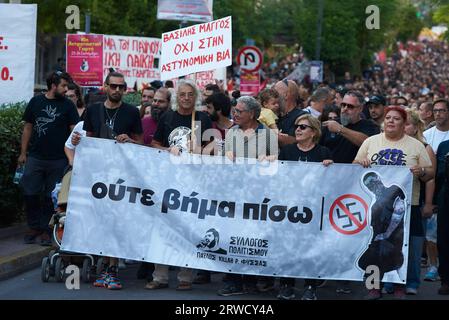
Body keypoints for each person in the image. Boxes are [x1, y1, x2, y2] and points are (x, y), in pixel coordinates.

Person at [72, 72, 144, 290]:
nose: (117, 90)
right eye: (113, 86)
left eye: (121, 87)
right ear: (105, 87)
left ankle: (111, 268)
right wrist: (77, 140)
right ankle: (101, 264)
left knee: (115, 222)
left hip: (121, 177)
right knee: (98, 220)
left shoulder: (131, 112)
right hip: (96, 175)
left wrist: (130, 141)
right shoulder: (93, 110)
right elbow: (86, 139)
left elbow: (141, 144)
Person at [354, 106, 434, 299]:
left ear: (404, 123)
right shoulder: (371, 142)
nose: (390, 121)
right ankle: (374, 286)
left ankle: (400, 286)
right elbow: (353, 166)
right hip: (376, 209)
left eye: (396, 119)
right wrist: (361, 163)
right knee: (373, 248)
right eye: (388, 118)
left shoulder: (416, 145)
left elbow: (430, 173)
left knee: (404, 247)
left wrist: (421, 171)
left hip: (408, 207)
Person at [147, 80, 212, 291]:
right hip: (168, 181)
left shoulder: (203, 118)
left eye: (190, 95)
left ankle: (186, 276)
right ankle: (160, 276)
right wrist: (167, 150)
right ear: (177, 97)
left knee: (187, 229)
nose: (186, 98)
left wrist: (200, 149)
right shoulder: (168, 117)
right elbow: (154, 143)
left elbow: (211, 148)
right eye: (182, 94)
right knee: (163, 228)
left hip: (192, 183)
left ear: (196, 97)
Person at [217, 96, 278, 297]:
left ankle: (251, 279)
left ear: (252, 114)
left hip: (258, 195)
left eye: (239, 111)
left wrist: (267, 159)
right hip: (233, 193)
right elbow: (224, 159)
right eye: (234, 110)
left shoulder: (268, 135)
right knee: (232, 236)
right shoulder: (231, 132)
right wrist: (226, 156)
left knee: (251, 238)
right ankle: (233, 279)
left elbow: (278, 162)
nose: (234, 114)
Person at [18, 71, 79, 246]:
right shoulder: (36, 102)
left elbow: (74, 131)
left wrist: (73, 155)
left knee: (50, 197)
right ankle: (33, 227)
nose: (66, 89)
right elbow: (28, 128)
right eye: (63, 86)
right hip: (35, 157)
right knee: (30, 192)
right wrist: (23, 153)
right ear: (53, 85)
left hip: (59, 159)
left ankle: (46, 230)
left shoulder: (68, 105)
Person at [277, 114, 333, 301]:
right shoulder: (287, 151)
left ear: (314, 132)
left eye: (303, 127)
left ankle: (310, 286)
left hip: (314, 209)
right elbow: (278, 177)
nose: (298, 130)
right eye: (297, 126)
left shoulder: (323, 152)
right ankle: (287, 285)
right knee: (289, 246)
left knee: (311, 247)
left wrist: (330, 167)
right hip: (290, 207)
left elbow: (332, 182)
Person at [274, 79, 307, 147]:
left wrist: (265, 132)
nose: (271, 96)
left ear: (286, 95)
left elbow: (298, 141)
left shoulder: (302, 116)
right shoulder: (274, 115)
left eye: (275, 93)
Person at [435, 140, 449, 295]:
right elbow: (438, 174)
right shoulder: (444, 146)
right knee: (444, 239)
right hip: (445, 197)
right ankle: (446, 280)